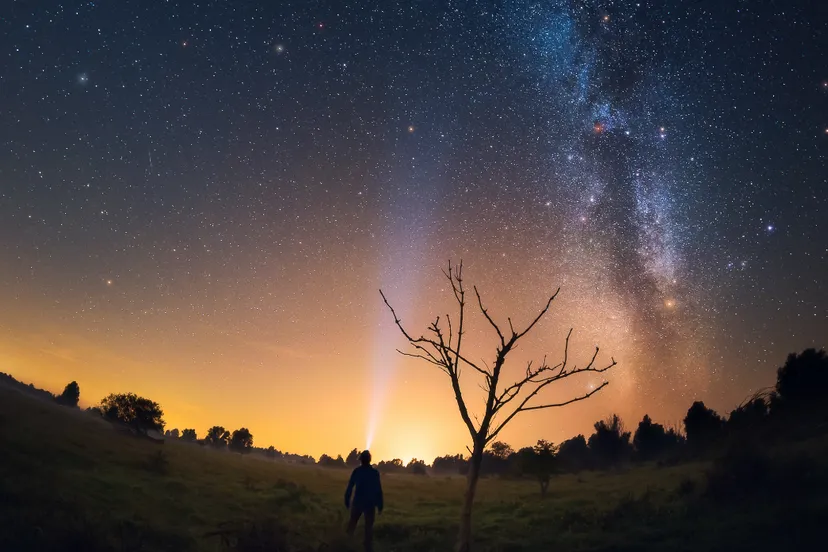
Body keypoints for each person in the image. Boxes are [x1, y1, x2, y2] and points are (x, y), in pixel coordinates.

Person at [344, 449, 383, 551]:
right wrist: (380, 505)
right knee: (368, 528)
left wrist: (347, 499)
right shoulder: (375, 473)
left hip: (358, 502)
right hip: (370, 503)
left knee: (352, 525)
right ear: (369, 460)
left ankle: (347, 544)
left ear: (361, 460)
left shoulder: (357, 471)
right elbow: (378, 490)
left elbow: (350, 487)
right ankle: (367, 548)